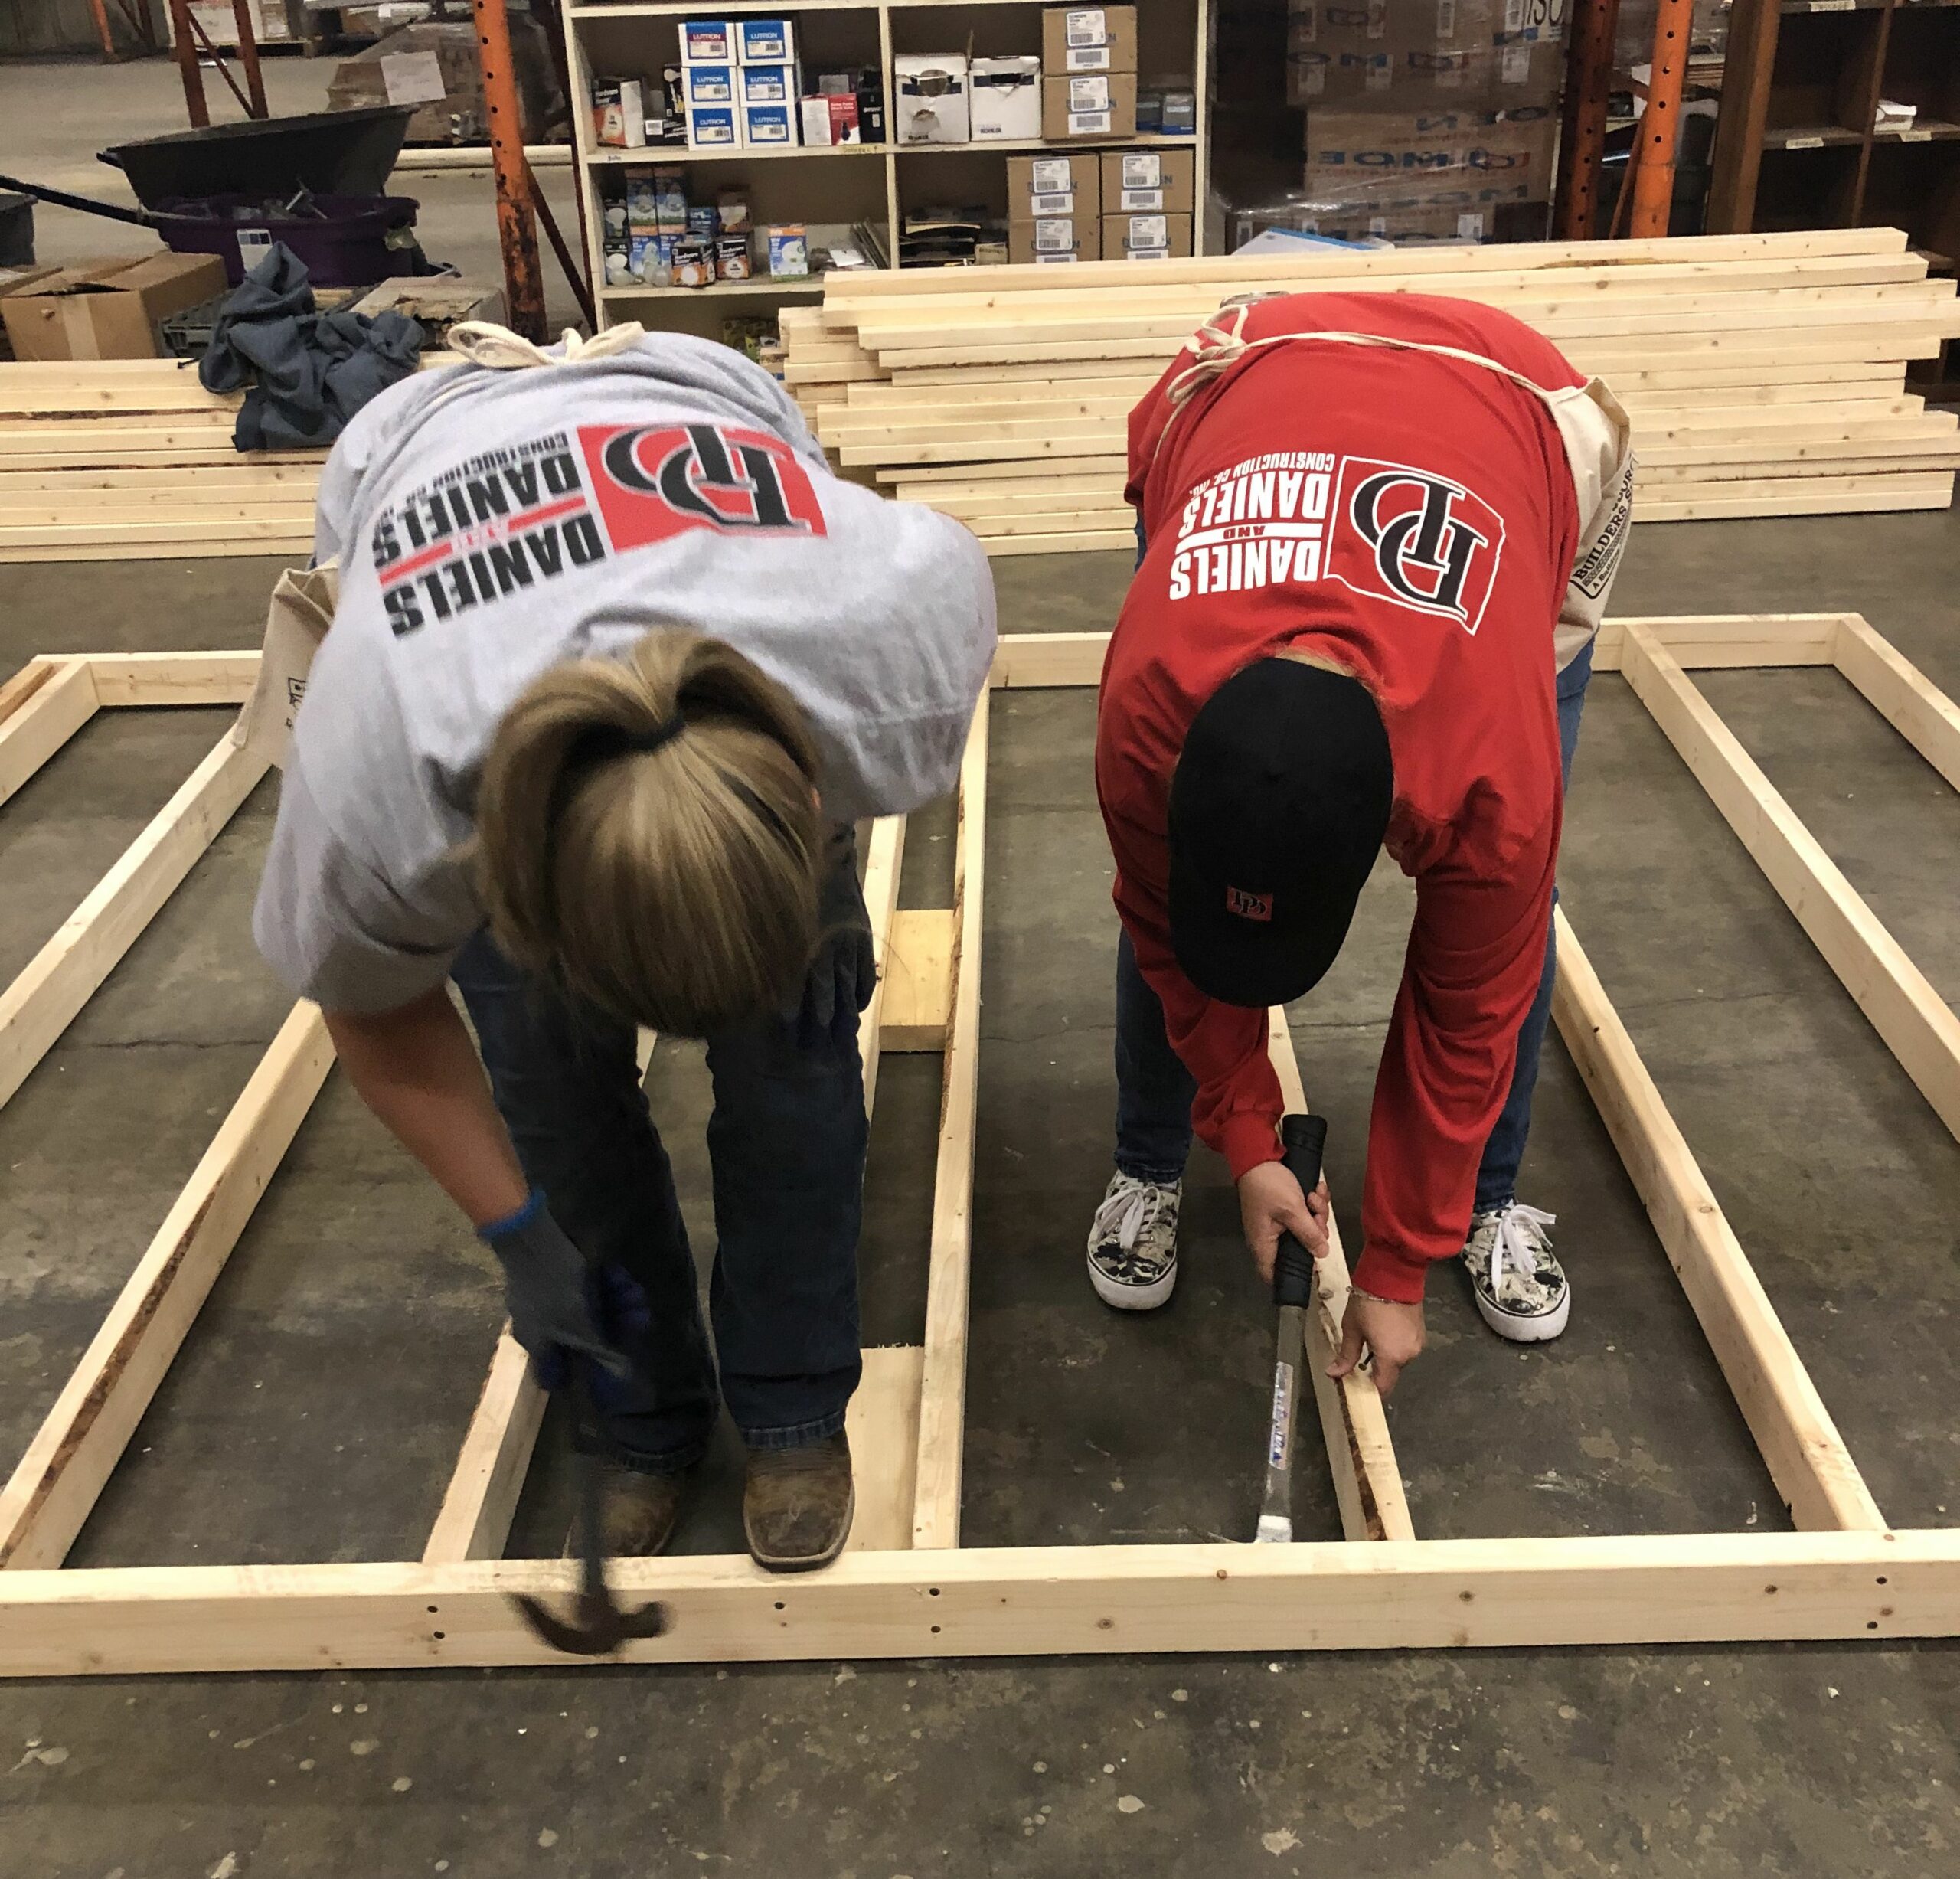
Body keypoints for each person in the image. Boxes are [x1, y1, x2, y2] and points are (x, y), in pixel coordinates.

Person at [252, 324, 997, 1570]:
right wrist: (518, 1234)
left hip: (694, 402)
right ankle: (644, 1417)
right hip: (422, 456)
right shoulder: (388, 768)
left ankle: (791, 1408)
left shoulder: (888, 651)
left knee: (795, 1070)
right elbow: (378, 1016)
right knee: (555, 1092)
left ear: (809, 786)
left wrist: (811, 897)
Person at [1086, 290, 1632, 1396]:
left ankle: (1483, 1199)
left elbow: (1467, 1002)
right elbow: (1159, 918)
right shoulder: (1146, 714)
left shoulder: (1490, 771)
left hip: (1526, 409)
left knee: (1514, 915)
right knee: (1168, 926)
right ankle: (1151, 1161)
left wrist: (1400, 1258)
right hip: (1255, 377)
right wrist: (1248, 1132)